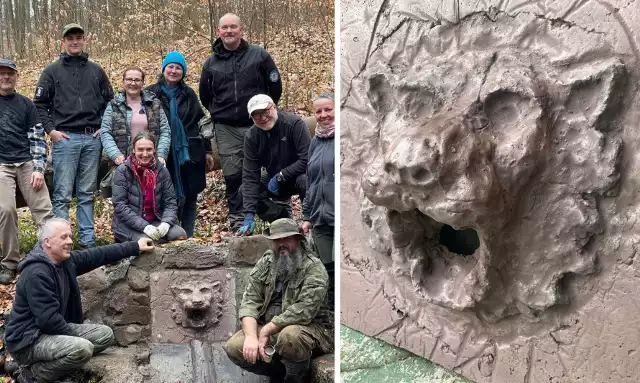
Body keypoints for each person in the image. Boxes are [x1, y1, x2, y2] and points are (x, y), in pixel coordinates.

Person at [4, 218, 154, 383]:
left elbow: (97, 255)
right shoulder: (36, 273)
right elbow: (48, 321)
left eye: (70, 236)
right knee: (83, 348)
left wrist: (134, 246)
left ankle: (55, 364)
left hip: (49, 331)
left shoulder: (65, 261)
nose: (69, 241)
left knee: (106, 335)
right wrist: (76, 340)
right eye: (63, 237)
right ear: (47, 242)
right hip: (28, 340)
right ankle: (31, 374)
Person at [199, 13, 282, 231]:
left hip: (258, 124)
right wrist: (221, 113)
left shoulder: (259, 55)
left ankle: (278, 216)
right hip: (226, 128)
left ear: (241, 29)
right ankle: (238, 220)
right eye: (224, 27)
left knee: (268, 169)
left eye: (233, 27)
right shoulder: (210, 63)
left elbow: (275, 86)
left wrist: (265, 114)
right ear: (218, 32)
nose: (228, 31)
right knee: (233, 175)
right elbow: (205, 96)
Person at [33, 23, 114, 249]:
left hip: (92, 138)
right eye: (70, 38)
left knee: (87, 193)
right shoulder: (52, 71)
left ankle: (88, 243)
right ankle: (62, 243)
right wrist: (51, 131)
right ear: (63, 42)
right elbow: (39, 104)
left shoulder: (96, 71)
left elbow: (111, 101)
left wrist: (103, 126)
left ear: (84, 40)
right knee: (62, 195)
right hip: (65, 139)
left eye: (78, 37)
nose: (75, 41)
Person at [223, 218, 333, 383]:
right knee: (234, 347)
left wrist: (267, 330)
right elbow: (250, 301)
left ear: (298, 239)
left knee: (290, 337)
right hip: (271, 329)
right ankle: (279, 373)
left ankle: (297, 378)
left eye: (287, 238)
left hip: (311, 331)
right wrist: (252, 336)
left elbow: (304, 311)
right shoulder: (266, 262)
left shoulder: (314, 268)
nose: (282, 244)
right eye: (277, 240)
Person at [146, 51, 214, 238]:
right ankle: (170, 235)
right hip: (162, 152)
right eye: (171, 67)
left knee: (190, 196)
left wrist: (207, 150)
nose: (174, 71)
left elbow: (201, 123)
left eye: (178, 68)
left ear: (183, 72)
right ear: (164, 69)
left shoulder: (189, 94)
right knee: (165, 197)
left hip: (189, 153)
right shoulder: (151, 93)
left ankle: (188, 236)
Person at [0, 59, 54, 284]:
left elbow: (37, 139)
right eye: (1, 74)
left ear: (16, 76)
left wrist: (39, 169)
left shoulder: (26, 104)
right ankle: (9, 263)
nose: (5, 78)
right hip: (1, 165)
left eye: (9, 74)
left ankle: (49, 255)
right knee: (6, 210)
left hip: (26, 162)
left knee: (44, 210)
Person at [237, 94, 310, 236]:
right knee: (245, 189)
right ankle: (283, 221)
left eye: (265, 112)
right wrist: (249, 213)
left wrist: (282, 175)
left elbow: (307, 159)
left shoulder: (294, 124)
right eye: (256, 116)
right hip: (272, 179)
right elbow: (250, 175)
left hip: (298, 174)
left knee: (305, 181)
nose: (263, 118)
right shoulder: (252, 137)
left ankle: (310, 221)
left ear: (274, 107)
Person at [111, 132, 187, 243]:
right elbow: (120, 206)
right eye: (140, 149)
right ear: (133, 150)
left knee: (179, 235)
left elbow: (170, 202)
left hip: (155, 220)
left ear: (154, 150)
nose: (145, 154)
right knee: (148, 243)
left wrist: (165, 223)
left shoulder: (162, 170)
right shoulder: (123, 171)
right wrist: (145, 227)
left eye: (149, 149)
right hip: (129, 224)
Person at [301, 92, 335, 307]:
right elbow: (311, 180)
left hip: (338, 215)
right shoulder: (315, 141)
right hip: (319, 218)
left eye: (328, 110)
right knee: (325, 267)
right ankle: (332, 310)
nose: (323, 115)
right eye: (318, 111)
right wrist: (307, 215)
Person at [100, 67, 171, 166]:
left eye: (137, 80)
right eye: (129, 79)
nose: (133, 83)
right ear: (123, 81)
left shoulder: (154, 104)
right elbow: (105, 132)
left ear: (142, 83)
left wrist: (161, 155)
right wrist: (116, 155)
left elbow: (165, 130)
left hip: (149, 161)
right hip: (122, 163)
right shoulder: (113, 105)